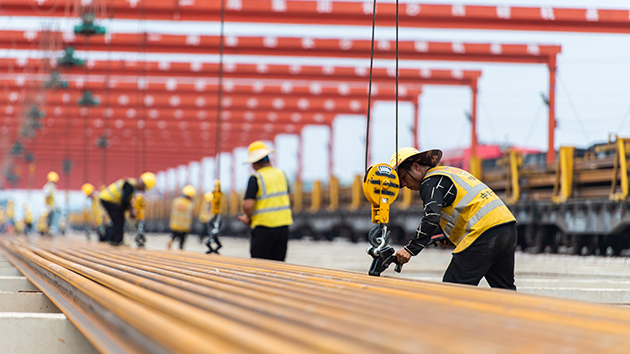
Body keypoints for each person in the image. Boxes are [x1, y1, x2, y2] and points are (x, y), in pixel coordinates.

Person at [390, 147, 518, 290]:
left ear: (415, 167)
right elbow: (464, 207)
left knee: (453, 288)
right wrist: (449, 237)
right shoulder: (448, 173)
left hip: (484, 232)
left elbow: (431, 217)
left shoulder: (430, 182)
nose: (404, 184)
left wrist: (409, 249)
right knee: (504, 289)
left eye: (403, 177)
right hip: (507, 227)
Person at [238, 141, 293, 261]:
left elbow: (248, 206)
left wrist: (247, 217)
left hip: (263, 228)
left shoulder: (256, 178)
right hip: (283, 227)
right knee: (278, 266)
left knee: (260, 267)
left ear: (253, 163)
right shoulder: (281, 174)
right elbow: (289, 198)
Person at [99, 172, 156, 246]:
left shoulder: (131, 185)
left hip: (106, 199)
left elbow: (124, 202)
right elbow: (124, 200)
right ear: (142, 183)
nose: (142, 190)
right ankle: (117, 241)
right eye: (144, 188)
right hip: (108, 199)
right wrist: (131, 210)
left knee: (117, 219)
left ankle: (114, 240)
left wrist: (129, 209)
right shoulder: (130, 185)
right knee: (119, 219)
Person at [167, 185, 196, 250]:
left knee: (174, 235)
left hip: (175, 223)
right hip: (184, 226)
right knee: (182, 238)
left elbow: (171, 210)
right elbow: (192, 214)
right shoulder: (190, 204)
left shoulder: (176, 201)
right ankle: (181, 248)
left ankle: (170, 240)